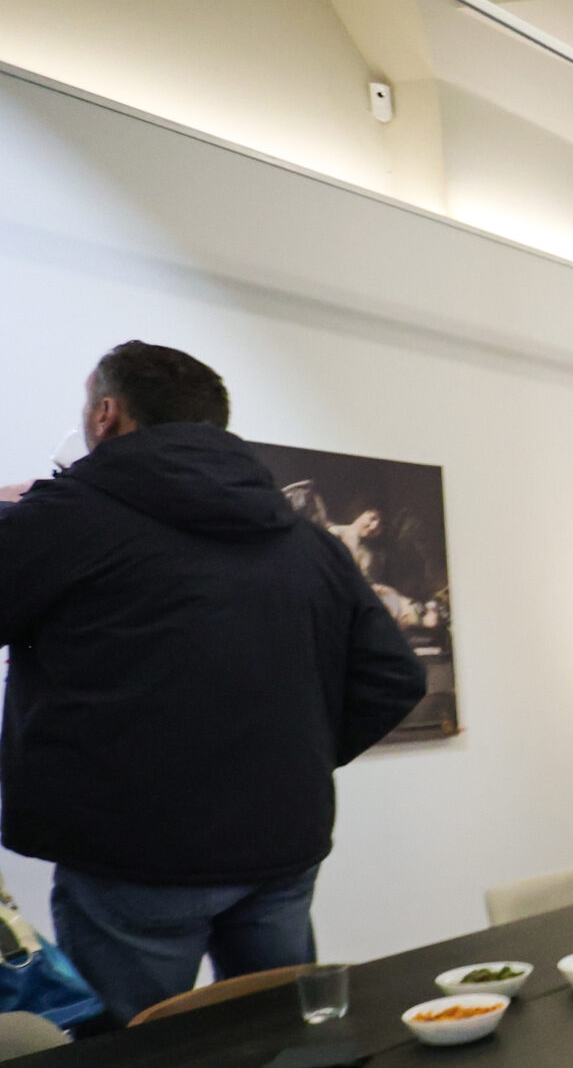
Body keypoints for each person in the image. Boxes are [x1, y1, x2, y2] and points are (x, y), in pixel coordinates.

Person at [0, 342, 426, 1027]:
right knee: (283, 1045)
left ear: (107, 414)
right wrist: (298, 758)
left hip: (132, 856)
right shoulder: (307, 540)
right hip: (279, 846)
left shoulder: (66, 519)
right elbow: (394, 676)